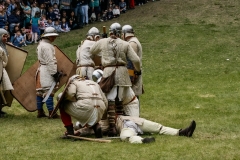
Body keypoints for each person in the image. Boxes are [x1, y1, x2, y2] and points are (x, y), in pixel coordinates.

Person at [90, 22, 141, 137]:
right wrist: (137, 70)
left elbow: (92, 50)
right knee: (119, 100)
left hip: (109, 72)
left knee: (110, 100)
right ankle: (119, 125)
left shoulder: (103, 42)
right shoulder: (125, 44)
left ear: (110, 32)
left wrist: (103, 49)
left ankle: (112, 127)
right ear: (120, 33)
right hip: (123, 73)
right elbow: (136, 60)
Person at [35, 26, 60, 118]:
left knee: (40, 92)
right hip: (46, 70)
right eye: (53, 36)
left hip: (41, 69)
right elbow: (50, 61)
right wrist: (54, 73)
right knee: (49, 91)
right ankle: (51, 113)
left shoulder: (41, 44)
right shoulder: (47, 46)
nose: (54, 38)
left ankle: (40, 112)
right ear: (48, 37)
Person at [122, 24, 143, 111]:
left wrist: (130, 79)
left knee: (132, 97)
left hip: (133, 74)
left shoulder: (132, 43)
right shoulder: (133, 41)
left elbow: (131, 62)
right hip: (135, 73)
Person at [0, 29, 14, 116]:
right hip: (0, 70)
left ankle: (0, 108)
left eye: (6, 36)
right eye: (3, 36)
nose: (5, 38)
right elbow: (4, 61)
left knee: (3, 91)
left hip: (2, 71)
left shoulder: (3, 47)